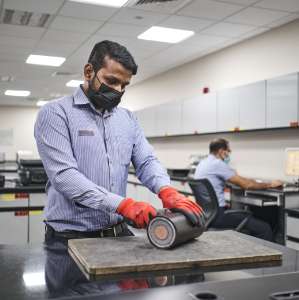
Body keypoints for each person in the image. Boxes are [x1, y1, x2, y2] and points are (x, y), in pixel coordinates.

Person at [34, 40, 204, 241]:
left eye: (124, 85)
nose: (118, 91)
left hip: (119, 234)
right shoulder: (56, 113)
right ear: (89, 72)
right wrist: (123, 205)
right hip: (71, 237)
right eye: (112, 81)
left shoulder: (127, 118)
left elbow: (146, 161)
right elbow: (64, 176)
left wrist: (166, 190)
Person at [194, 138, 282, 241]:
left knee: (253, 223)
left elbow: (239, 179)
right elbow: (247, 185)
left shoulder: (202, 163)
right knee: (264, 228)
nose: (228, 155)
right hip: (218, 216)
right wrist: (270, 184)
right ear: (221, 151)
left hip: (206, 215)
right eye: (228, 151)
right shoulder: (217, 164)